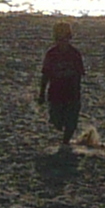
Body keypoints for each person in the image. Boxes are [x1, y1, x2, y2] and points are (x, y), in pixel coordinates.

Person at [36, 20, 84, 150]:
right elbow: (45, 74)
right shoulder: (51, 54)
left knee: (71, 120)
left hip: (71, 91)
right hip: (55, 92)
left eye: (65, 38)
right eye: (59, 38)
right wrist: (42, 93)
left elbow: (79, 73)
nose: (62, 41)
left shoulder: (74, 54)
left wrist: (77, 92)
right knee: (56, 120)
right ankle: (63, 133)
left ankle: (66, 142)